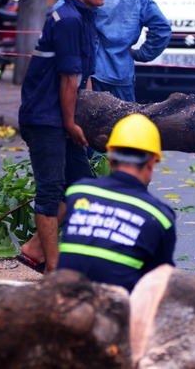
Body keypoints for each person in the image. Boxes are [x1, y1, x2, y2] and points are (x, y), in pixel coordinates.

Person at [17, 0, 107, 275]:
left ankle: (34, 249)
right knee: (51, 191)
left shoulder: (83, 16)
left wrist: (82, 118)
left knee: (86, 188)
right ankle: (53, 270)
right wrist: (71, 123)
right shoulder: (67, 20)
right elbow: (69, 80)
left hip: (62, 117)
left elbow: (83, 80)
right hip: (46, 119)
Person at [58, 113, 176, 292]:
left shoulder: (77, 193)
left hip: (63, 299)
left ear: (111, 159)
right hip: (117, 310)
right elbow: (158, 277)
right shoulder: (159, 216)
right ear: (152, 163)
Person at [90, 0, 171, 102]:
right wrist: (141, 54)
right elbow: (162, 29)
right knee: (122, 125)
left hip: (91, 76)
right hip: (122, 75)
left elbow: (62, 10)